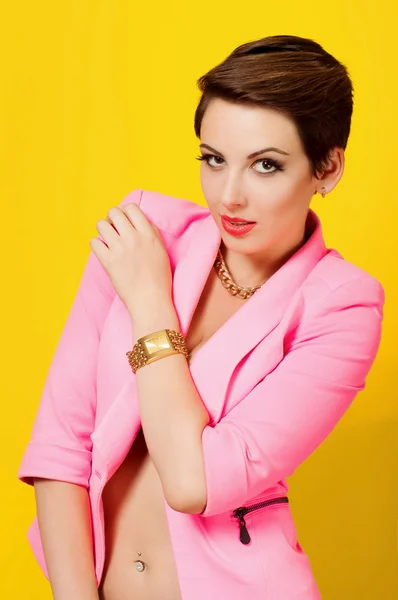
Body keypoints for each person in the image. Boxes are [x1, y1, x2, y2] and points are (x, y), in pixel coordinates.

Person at [18, 34, 385, 600]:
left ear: (327, 168)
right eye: (213, 159)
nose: (228, 196)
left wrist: (150, 305)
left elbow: (195, 483)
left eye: (266, 165)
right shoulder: (143, 233)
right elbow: (63, 445)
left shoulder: (342, 307)